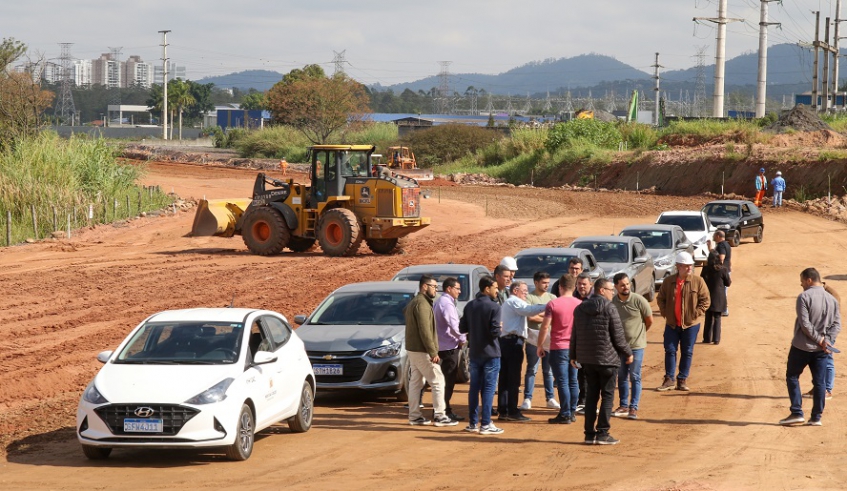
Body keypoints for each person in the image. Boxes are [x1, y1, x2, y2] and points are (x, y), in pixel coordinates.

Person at [570, 278, 633, 445]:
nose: (613, 292)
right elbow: (618, 337)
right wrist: (628, 352)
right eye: (610, 289)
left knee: (591, 396)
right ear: (601, 290)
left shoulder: (580, 309)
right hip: (608, 360)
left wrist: (573, 355)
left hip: (587, 361)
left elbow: (574, 334)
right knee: (607, 396)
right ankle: (603, 433)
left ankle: (589, 434)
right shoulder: (610, 308)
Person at [779, 268, 841, 426]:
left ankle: (796, 412)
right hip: (821, 350)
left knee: (792, 376)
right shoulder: (832, 300)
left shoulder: (804, 297)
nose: (801, 285)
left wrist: (820, 339)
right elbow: (836, 325)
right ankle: (816, 417)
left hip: (802, 346)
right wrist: (827, 341)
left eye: (802, 282)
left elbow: (805, 324)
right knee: (820, 383)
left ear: (809, 280)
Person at [404, 275, 457, 427]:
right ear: (424, 286)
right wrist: (433, 352)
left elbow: (405, 313)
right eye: (433, 286)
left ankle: (414, 416)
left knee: (416, 382)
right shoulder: (422, 304)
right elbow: (425, 331)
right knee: (438, 380)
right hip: (421, 350)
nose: (436, 289)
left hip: (413, 348)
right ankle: (440, 415)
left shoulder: (415, 302)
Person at [655, 251, 710, 392]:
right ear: (678, 266)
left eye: (690, 265)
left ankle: (682, 379)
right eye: (686, 266)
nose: (689, 268)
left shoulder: (698, 282)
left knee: (687, 351)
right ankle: (669, 379)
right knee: (670, 350)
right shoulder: (668, 282)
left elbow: (705, 301)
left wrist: (695, 314)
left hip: (691, 325)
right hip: (672, 324)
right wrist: (665, 313)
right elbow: (660, 298)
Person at [459, 275, 505, 435]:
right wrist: (500, 327)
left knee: (474, 388)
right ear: (487, 289)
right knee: (488, 389)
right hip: (491, 353)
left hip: (475, 353)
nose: (497, 291)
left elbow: (462, 328)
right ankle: (485, 423)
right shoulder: (495, 307)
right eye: (495, 288)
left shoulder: (470, 306)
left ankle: (473, 423)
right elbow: (495, 332)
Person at [497, 281, 547, 421]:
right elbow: (529, 311)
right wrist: (548, 306)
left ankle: (504, 410)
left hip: (508, 341)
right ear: (515, 290)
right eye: (524, 290)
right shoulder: (514, 301)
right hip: (512, 343)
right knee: (512, 378)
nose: (526, 293)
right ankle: (512, 411)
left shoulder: (511, 302)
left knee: (506, 377)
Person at [538, 274, 582, 424]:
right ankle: (572, 411)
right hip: (575, 348)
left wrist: (540, 344)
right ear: (574, 287)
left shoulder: (553, 304)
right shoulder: (579, 304)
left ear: (560, 287)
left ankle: (565, 413)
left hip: (558, 347)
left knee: (562, 381)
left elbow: (545, 326)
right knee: (573, 380)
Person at [610, 273, 653, 420]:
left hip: (636, 346)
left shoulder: (639, 300)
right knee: (621, 376)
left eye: (627, 284)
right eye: (622, 285)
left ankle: (633, 407)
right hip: (620, 347)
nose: (626, 287)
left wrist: (638, 336)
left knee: (635, 376)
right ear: (616, 286)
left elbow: (649, 320)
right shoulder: (612, 303)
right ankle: (623, 405)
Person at [522, 271, 558, 411]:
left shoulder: (552, 297)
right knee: (532, 369)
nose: (546, 285)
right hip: (533, 339)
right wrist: (547, 317)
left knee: (548, 371)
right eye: (544, 283)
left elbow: (555, 316)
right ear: (536, 283)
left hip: (549, 338)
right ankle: (527, 398)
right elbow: (531, 317)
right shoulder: (529, 298)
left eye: (548, 283)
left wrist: (541, 314)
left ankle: (550, 398)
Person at [434, 277, 466, 422]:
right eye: (457, 288)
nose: (459, 291)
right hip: (448, 347)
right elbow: (454, 325)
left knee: (441, 380)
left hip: (442, 345)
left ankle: (442, 409)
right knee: (448, 380)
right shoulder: (447, 304)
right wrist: (462, 340)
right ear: (449, 289)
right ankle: (444, 410)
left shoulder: (441, 301)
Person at [805, 282, 841, 400]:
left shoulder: (830, 295)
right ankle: (818, 388)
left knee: (827, 361)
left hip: (827, 333)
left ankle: (827, 390)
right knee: (817, 361)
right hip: (818, 333)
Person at [700, 250, 731, 344]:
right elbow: (728, 283)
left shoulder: (705, 269)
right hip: (719, 297)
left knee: (708, 317)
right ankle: (716, 339)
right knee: (717, 317)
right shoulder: (723, 269)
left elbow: (702, 281)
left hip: (708, 296)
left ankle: (707, 338)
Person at [573, 272, 593, 414]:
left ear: (590, 285)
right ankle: (582, 400)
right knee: (580, 372)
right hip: (578, 341)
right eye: (579, 284)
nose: (581, 286)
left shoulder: (595, 300)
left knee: (590, 373)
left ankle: (588, 401)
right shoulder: (573, 298)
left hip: (592, 343)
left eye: (584, 284)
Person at [713, 230, 732, 317]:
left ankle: (724, 310)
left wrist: (717, 269)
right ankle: (724, 309)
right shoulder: (727, 244)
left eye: (714, 235)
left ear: (718, 236)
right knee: (723, 291)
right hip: (727, 270)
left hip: (722, 272)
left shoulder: (721, 246)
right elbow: (729, 259)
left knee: (721, 291)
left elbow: (721, 258)